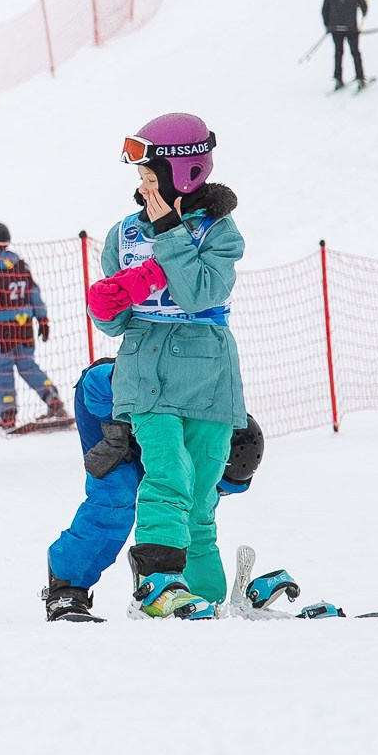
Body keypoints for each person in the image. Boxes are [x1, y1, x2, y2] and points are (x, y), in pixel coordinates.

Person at [88, 113, 245, 618]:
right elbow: (114, 322)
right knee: (167, 474)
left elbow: (203, 293)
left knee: (200, 490)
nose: (142, 189)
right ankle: (157, 580)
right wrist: (107, 304)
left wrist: (171, 233)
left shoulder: (220, 232)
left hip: (207, 377)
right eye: (140, 180)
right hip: (146, 373)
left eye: (151, 179)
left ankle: (206, 595)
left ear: (186, 173)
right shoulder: (123, 233)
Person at [45, 357, 264, 621]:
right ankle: (66, 589)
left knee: (189, 506)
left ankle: (181, 592)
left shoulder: (208, 430)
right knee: (116, 496)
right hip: (106, 409)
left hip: (152, 432)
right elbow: (95, 381)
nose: (217, 494)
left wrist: (207, 601)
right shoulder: (175, 391)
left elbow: (197, 529)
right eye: (220, 487)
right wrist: (114, 426)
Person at [0, 222, 63, 431]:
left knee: (3, 371)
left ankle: (7, 415)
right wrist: (43, 319)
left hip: (2, 331)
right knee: (27, 365)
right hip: (24, 328)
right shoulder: (22, 265)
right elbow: (34, 294)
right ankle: (53, 399)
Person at [321, 0, 370, 89]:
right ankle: (360, 77)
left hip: (335, 29)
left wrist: (327, 26)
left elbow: (324, 10)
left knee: (338, 53)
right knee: (355, 52)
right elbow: (364, 9)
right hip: (351, 28)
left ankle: (338, 78)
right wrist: (363, 11)